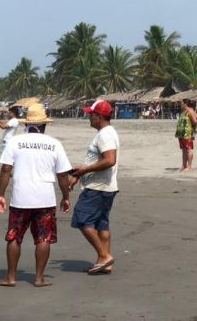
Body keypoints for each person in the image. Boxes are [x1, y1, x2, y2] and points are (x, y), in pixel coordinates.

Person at [0, 103, 72, 288]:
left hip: (21, 198)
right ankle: (39, 278)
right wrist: (66, 197)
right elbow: (62, 175)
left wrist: (0, 195)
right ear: (44, 125)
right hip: (45, 198)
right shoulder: (54, 144)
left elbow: (6, 169)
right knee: (43, 238)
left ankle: (11, 277)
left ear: (25, 125)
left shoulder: (15, 141)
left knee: (14, 237)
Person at [70, 99, 120, 276]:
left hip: (97, 188)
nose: (89, 118)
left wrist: (84, 169)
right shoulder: (107, 132)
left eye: (91, 115)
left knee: (82, 219)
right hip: (106, 187)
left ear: (99, 116)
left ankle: (104, 256)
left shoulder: (105, 134)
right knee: (101, 224)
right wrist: (80, 174)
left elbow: (109, 160)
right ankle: (103, 263)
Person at [175, 99, 197, 172]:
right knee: (184, 150)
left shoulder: (190, 111)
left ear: (185, 104)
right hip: (182, 134)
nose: (180, 104)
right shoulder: (183, 111)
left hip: (187, 134)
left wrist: (193, 129)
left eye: (181, 103)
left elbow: (195, 121)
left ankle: (189, 167)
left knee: (189, 150)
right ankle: (184, 165)